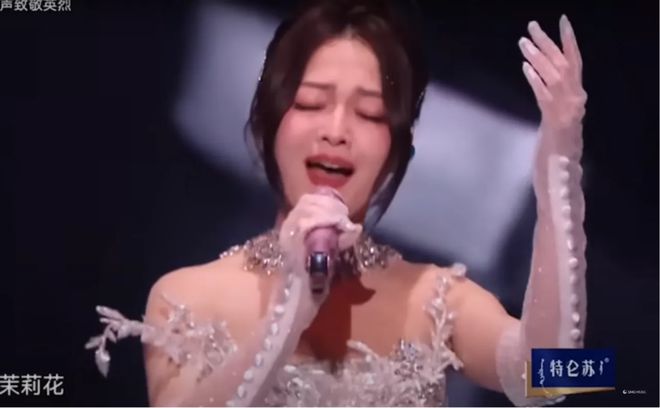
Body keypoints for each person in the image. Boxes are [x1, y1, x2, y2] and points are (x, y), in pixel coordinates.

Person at [86, 0, 588, 406]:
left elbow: (560, 378)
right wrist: (290, 312)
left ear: (395, 154)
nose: (336, 131)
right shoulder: (184, 296)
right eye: (311, 104)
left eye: (368, 114)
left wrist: (557, 179)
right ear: (268, 126)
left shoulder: (438, 301)